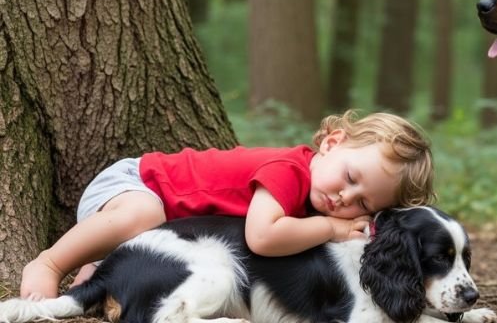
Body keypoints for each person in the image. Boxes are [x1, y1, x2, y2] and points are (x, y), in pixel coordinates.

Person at [19, 109, 435, 300]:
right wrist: (332, 229)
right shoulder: (289, 172)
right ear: (331, 143)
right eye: (349, 178)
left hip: (159, 241)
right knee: (145, 215)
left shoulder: (316, 198)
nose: (344, 198)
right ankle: (51, 262)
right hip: (135, 185)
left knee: (149, 231)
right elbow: (262, 237)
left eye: (361, 202)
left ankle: (100, 272)